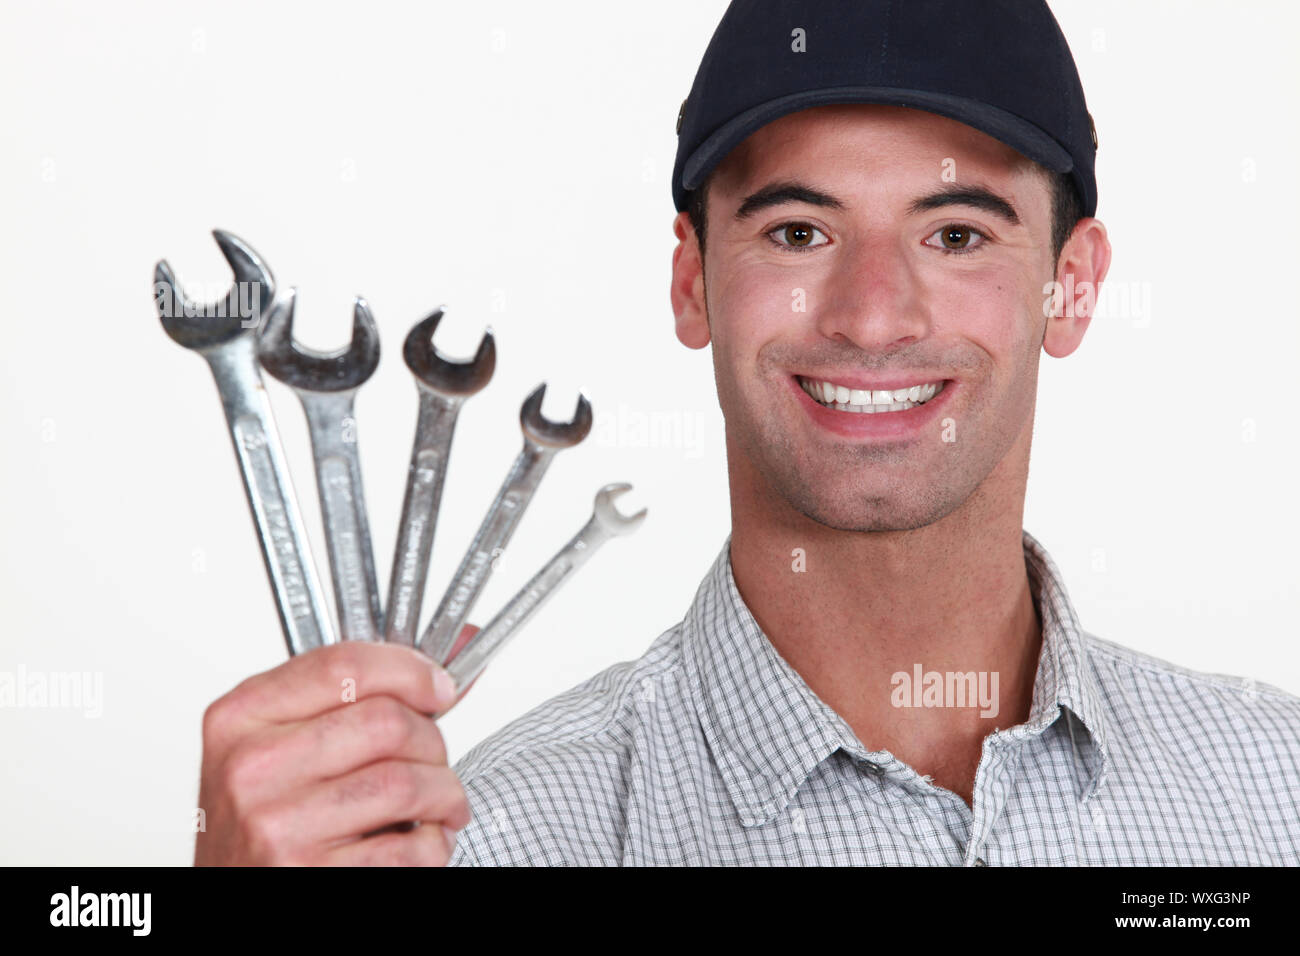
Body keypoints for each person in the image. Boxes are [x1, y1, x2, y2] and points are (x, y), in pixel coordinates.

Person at [193, 0, 1300, 866]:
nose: (873, 313)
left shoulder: (1274, 786)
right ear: (693, 282)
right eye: (799, 229)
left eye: (957, 232)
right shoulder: (473, 840)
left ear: (1072, 285)